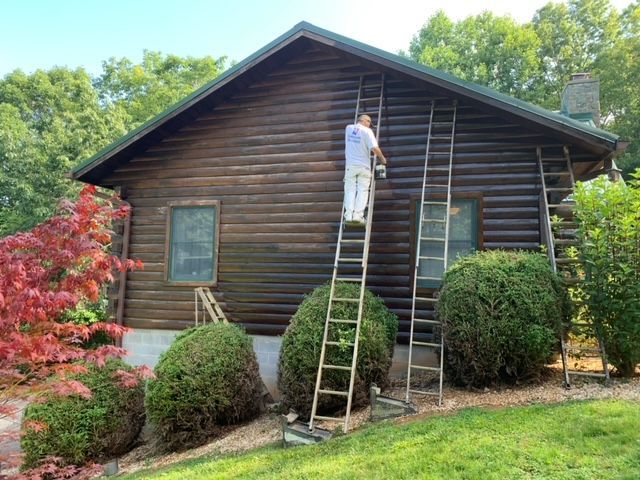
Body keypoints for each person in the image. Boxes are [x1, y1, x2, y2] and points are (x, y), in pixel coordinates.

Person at [343, 114, 388, 225]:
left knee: (350, 190)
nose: (369, 125)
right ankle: (358, 216)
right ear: (364, 121)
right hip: (364, 167)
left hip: (350, 166)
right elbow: (374, 148)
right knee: (362, 191)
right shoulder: (367, 132)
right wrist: (383, 159)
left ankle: (348, 215)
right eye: (369, 122)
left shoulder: (348, 128)